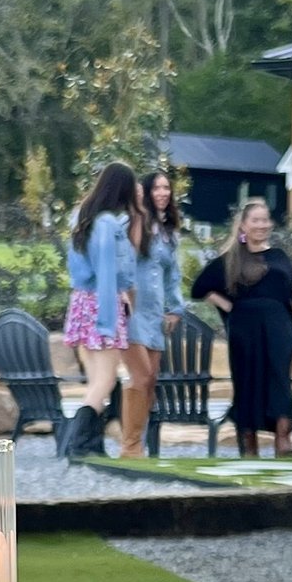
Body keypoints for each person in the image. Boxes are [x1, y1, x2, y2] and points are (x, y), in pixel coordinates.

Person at [195, 194, 292, 457]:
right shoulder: (231, 259)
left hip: (279, 326)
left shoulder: (279, 256)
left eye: (265, 220)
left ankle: (283, 438)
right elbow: (201, 287)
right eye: (256, 220)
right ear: (243, 225)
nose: (262, 225)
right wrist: (229, 307)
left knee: (279, 378)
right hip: (245, 329)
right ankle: (248, 442)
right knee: (247, 380)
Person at [58, 162, 138, 461]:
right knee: (104, 381)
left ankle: (90, 444)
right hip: (100, 303)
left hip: (81, 301)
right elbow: (106, 271)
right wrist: (108, 322)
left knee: (96, 382)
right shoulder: (105, 224)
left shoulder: (80, 217)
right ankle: (77, 444)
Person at [119, 166, 185, 458]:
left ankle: (138, 444)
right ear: (145, 192)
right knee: (141, 377)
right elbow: (121, 260)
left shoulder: (169, 233)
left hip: (156, 314)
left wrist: (175, 309)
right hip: (132, 311)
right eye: (156, 188)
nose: (162, 193)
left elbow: (172, 276)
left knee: (152, 379)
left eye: (166, 188)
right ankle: (129, 446)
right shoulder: (134, 223)